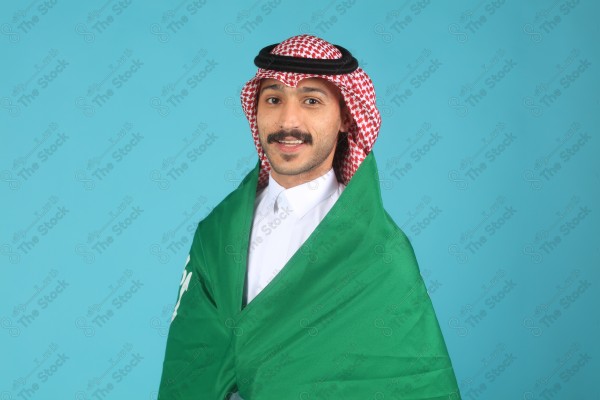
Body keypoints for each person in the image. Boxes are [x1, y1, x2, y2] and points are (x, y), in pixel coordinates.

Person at [157, 34, 461, 399]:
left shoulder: (380, 251)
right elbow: (193, 366)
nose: (288, 121)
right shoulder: (216, 232)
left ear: (347, 117)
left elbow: (410, 378)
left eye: (311, 101)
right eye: (273, 99)